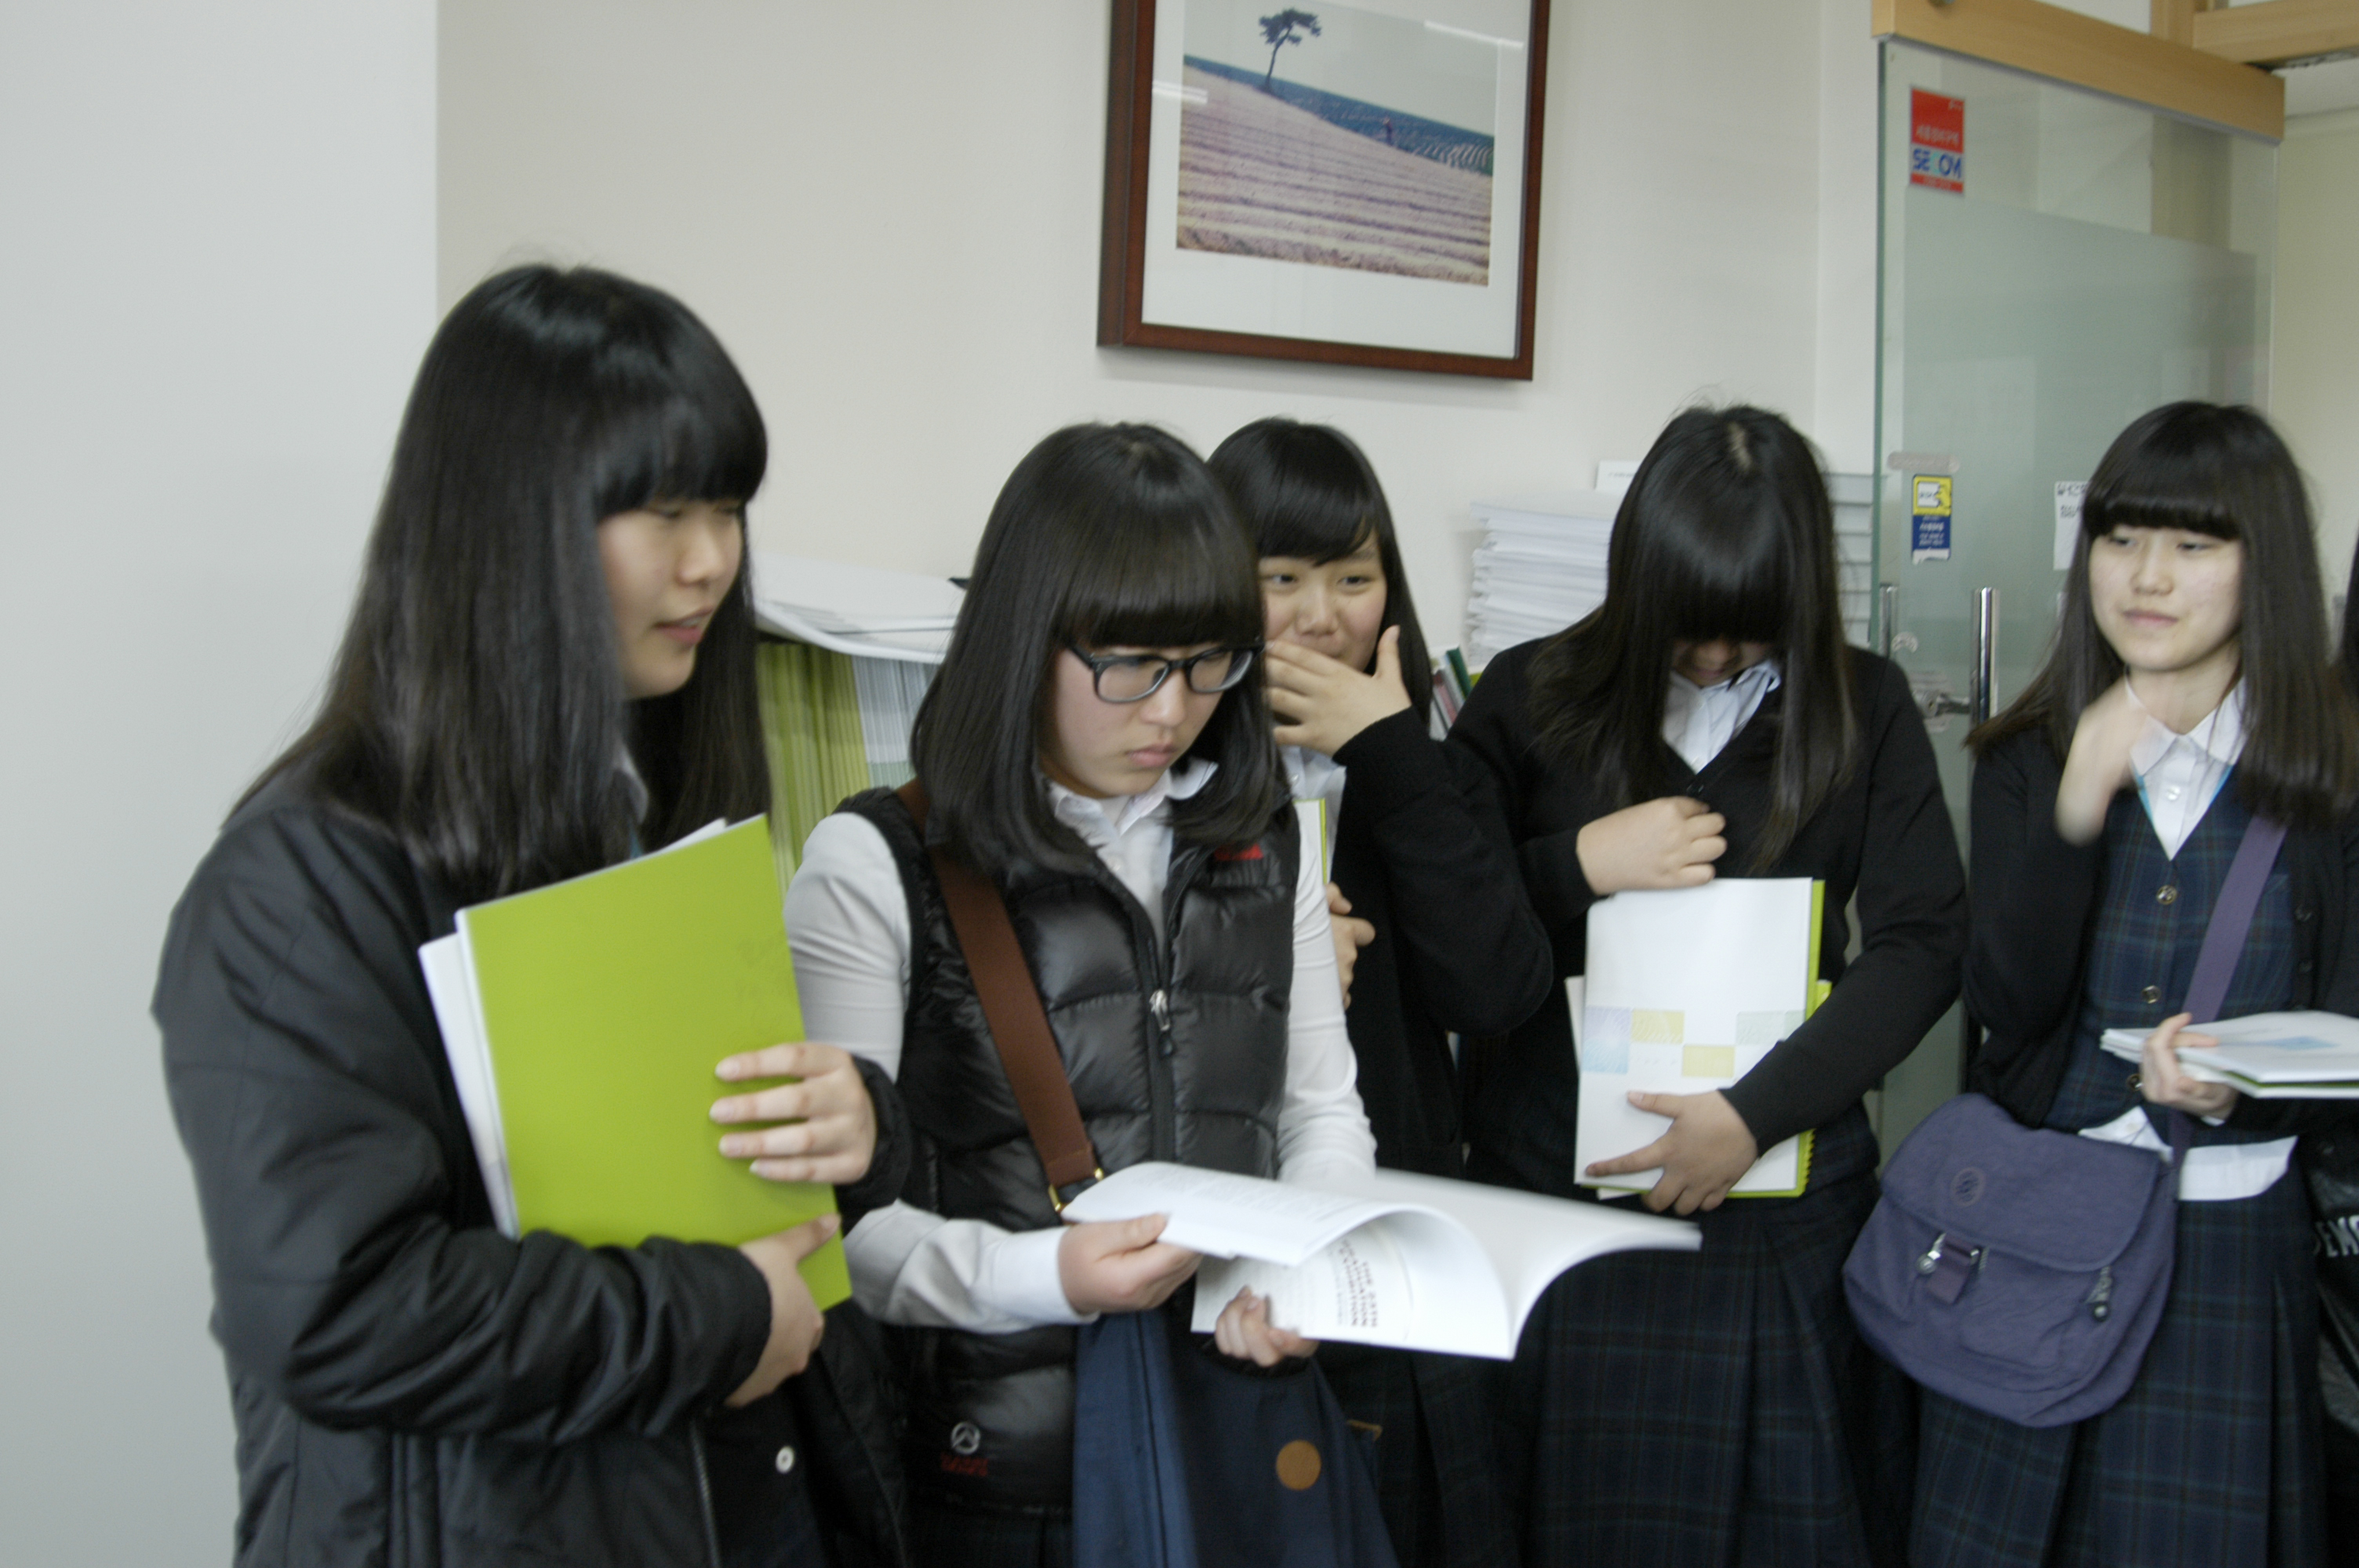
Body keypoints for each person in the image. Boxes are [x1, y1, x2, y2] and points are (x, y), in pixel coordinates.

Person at [154, 266, 911, 1568]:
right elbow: (337, 1307)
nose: (712, 561)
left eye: (728, 508)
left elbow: (703, 1158)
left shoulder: (650, 808)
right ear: (508, 531)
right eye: (663, 513)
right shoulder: (295, 887)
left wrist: (859, 1125)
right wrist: (716, 1318)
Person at [782, 421, 1379, 1566]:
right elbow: (836, 1231)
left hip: (1232, 1442)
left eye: (1210, 663)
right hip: (998, 1480)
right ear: (1025, 640)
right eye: (1130, 665)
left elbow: (1319, 1110)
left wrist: (1307, 1269)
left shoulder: (1267, 841)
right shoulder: (878, 864)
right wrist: (1044, 1276)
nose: (1171, 710)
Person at [1447, 404, 1965, 1566]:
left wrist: (1753, 1115)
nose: (1719, 657)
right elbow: (1453, 940)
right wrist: (1577, 865)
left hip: (1781, 1201)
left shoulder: (1862, 704)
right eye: (1691, 628)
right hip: (1561, 1203)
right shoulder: (1529, 694)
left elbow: (1925, 943)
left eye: (1750, 630)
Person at [1914, 401, 2359, 1566]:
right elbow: (2008, 1004)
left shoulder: (2332, 773)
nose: (2147, 577)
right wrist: (2079, 801)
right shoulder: (2027, 754)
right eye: (2121, 539)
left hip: (2227, 1243)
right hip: (2039, 1232)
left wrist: (2240, 1090)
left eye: (2193, 545)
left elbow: (2350, 1026)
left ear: (2263, 564)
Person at [1210, 416, 1548, 1568]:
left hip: (1393, 1247)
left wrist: (1393, 751)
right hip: (1224, 1261)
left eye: (1353, 579)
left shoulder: (1428, 768)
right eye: (1282, 578)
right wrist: (1281, 961)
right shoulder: (1171, 770)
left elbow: (1497, 990)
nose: (1322, 615)